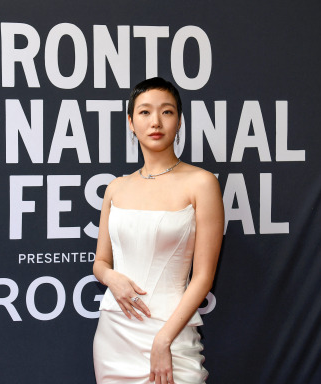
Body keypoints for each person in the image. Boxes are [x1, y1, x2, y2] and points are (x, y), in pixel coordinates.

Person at [92, 77, 224, 384]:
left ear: (179, 122)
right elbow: (100, 262)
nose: (156, 122)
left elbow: (203, 277)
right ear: (130, 122)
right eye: (144, 112)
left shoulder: (202, 183)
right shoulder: (116, 188)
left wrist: (164, 340)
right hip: (115, 332)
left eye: (166, 112)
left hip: (171, 331)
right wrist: (112, 278)